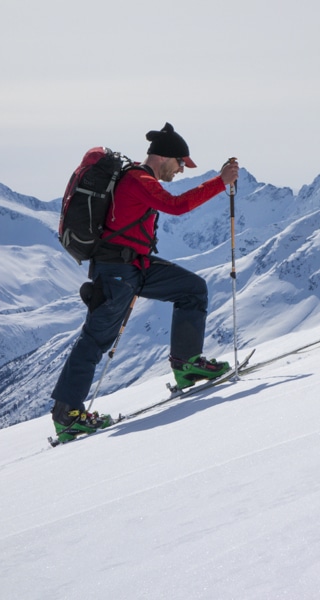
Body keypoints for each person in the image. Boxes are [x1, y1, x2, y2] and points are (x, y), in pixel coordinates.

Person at [49, 123, 240, 442]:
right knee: (96, 339)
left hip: (135, 266)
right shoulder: (138, 179)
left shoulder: (141, 180)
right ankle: (67, 415)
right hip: (117, 272)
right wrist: (220, 182)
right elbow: (177, 207)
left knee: (192, 289)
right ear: (165, 158)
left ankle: (187, 365)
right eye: (181, 163)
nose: (180, 170)